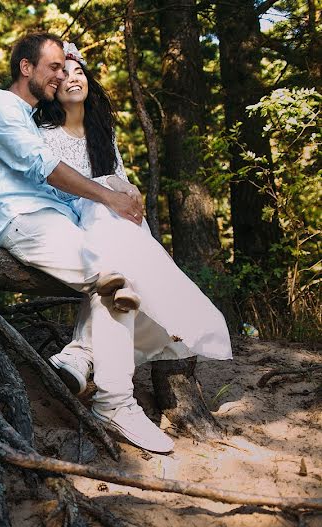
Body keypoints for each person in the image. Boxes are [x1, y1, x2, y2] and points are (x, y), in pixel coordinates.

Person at [0, 32, 178, 453]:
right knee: (117, 278)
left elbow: (64, 183)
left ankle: (79, 359)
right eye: (54, 67)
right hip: (22, 221)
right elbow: (42, 166)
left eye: (65, 67)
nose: (61, 75)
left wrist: (119, 193)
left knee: (119, 272)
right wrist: (108, 196)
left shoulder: (28, 117)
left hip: (56, 221)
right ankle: (114, 402)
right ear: (26, 68)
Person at [33, 44, 232, 408]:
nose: (73, 79)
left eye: (80, 73)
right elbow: (47, 182)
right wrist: (108, 191)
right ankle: (99, 353)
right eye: (65, 75)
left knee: (120, 225)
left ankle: (80, 355)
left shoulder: (101, 132)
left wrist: (127, 188)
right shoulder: (44, 132)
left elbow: (119, 180)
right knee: (107, 217)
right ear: (53, 86)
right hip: (69, 220)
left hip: (107, 219)